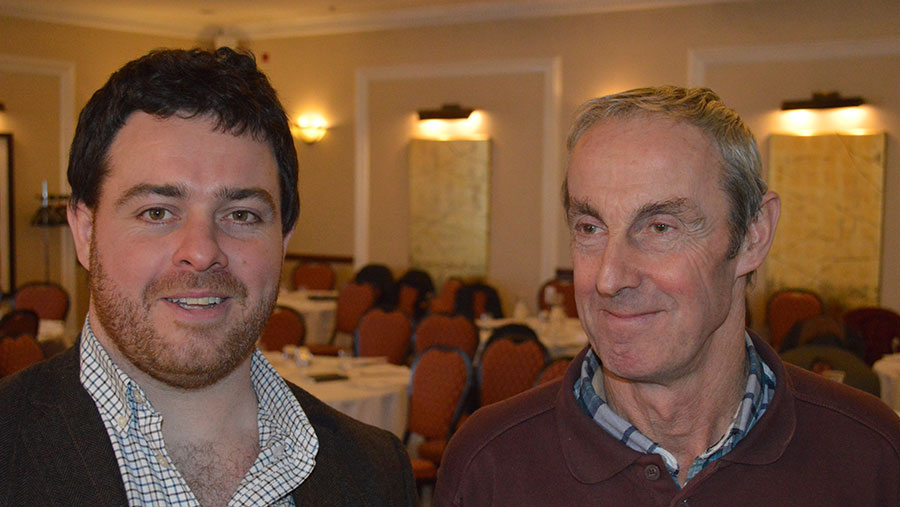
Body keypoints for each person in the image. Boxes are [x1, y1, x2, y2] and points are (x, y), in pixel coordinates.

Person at [434, 86, 900, 506]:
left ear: (753, 235)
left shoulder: (872, 456)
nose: (609, 279)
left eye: (660, 227)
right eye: (590, 228)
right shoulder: (489, 464)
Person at [0, 48, 415, 506]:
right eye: (157, 212)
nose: (201, 252)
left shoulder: (374, 472)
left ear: (284, 239)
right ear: (84, 231)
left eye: (241, 214)